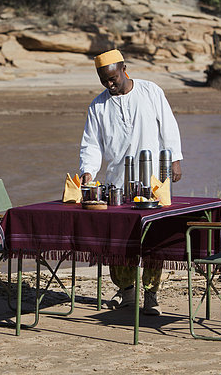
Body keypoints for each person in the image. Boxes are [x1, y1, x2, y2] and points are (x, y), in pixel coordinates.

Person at [79, 49, 183, 316]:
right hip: (117, 184)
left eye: (113, 78)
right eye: (104, 80)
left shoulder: (151, 91)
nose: (109, 84)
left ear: (124, 68)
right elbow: (91, 144)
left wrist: (175, 159)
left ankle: (151, 294)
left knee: (153, 238)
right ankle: (126, 291)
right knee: (119, 239)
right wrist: (88, 172)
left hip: (153, 183)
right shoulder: (98, 106)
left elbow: (168, 126)